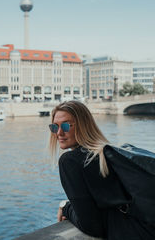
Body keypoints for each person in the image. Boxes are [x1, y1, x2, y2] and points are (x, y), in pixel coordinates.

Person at [49, 100, 155, 240]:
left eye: (66, 126)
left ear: (83, 126)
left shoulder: (70, 161)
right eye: (54, 127)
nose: (59, 133)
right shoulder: (106, 153)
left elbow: (91, 226)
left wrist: (65, 207)